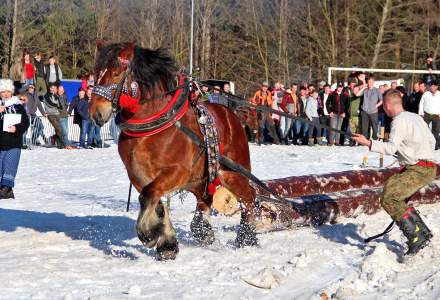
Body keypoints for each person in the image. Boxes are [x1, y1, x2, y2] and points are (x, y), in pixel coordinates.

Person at [352, 89, 436, 256]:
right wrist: (411, 153)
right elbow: (432, 140)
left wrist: (368, 143)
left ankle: (416, 235)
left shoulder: (398, 121)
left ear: (387, 105)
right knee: (391, 189)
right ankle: (422, 231)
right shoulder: (415, 117)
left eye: (383, 106)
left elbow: (390, 148)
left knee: (389, 199)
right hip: (427, 166)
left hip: (419, 169)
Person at [0, 79, 30, 199]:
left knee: (10, 165)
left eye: (8, 91)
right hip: (1, 142)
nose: (6, 94)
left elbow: (25, 122)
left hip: (13, 142)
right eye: (3, 92)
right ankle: (5, 190)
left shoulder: (17, 106)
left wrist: (16, 128)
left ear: (11, 92)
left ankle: (6, 189)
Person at [359, 75, 383, 140]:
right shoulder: (365, 90)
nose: (369, 83)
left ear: (373, 82)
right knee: (364, 127)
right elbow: (357, 94)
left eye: (371, 82)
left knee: (375, 127)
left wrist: (376, 106)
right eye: (368, 82)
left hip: (373, 112)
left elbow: (381, 100)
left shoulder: (377, 90)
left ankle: (375, 139)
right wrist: (363, 87)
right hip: (364, 112)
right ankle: (365, 140)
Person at [418, 80, 440, 149]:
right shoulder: (426, 94)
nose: (432, 87)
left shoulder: (439, 94)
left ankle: (435, 146)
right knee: (423, 130)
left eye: (433, 86)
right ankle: (423, 145)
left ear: (437, 87)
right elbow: (421, 103)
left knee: (436, 131)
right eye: (431, 86)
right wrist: (421, 113)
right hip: (426, 114)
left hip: (436, 115)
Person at [43, 84, 65, 149]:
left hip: (57, 114)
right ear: (50, 88)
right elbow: (49, 104)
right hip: (51, 114)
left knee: (58, 129)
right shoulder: (46, 95)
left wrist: (59, 106)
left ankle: (58, 144)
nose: (53, 89)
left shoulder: (55, 95)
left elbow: (60, 104)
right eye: (52, 88)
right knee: (58, 129)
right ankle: (64, 144)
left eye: (54, 88)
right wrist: (57, 105)